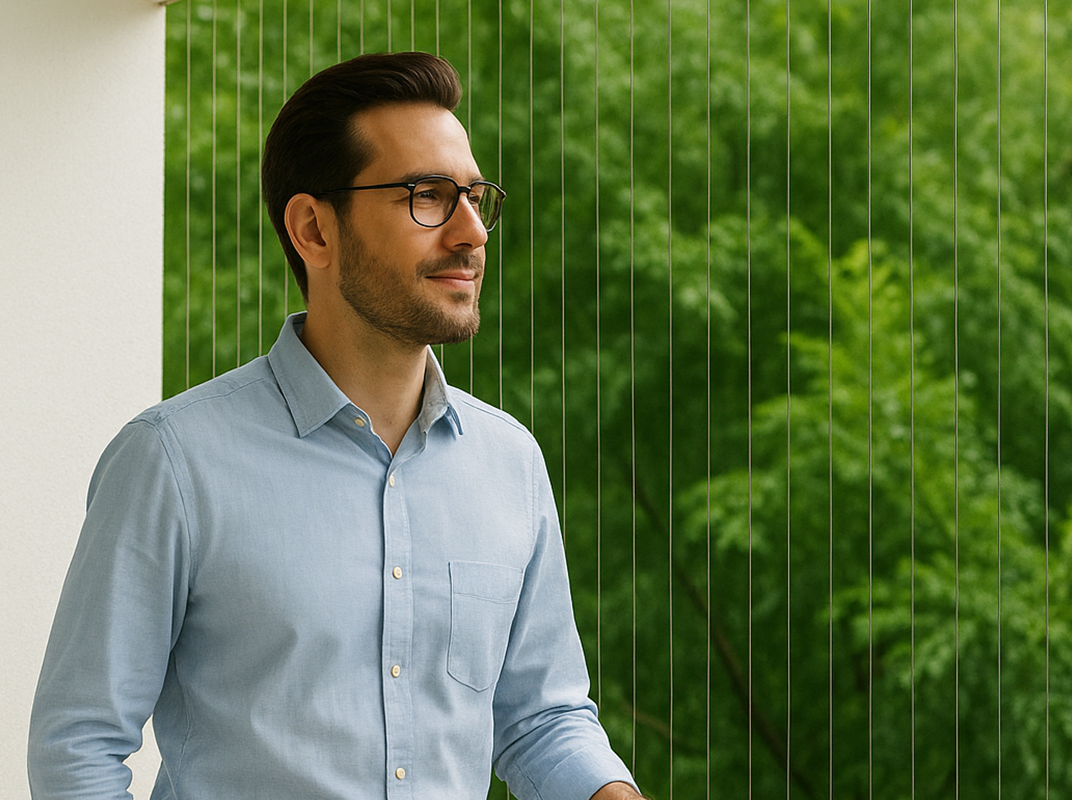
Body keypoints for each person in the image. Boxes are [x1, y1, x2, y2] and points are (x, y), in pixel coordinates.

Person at [29, 51, 642, 800]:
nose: (473, 232)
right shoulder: (172, 463)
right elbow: (77, 751)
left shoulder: (509, 463)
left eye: (477, 196)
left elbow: (541, 721)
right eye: (428, 196)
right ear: (314, 230)